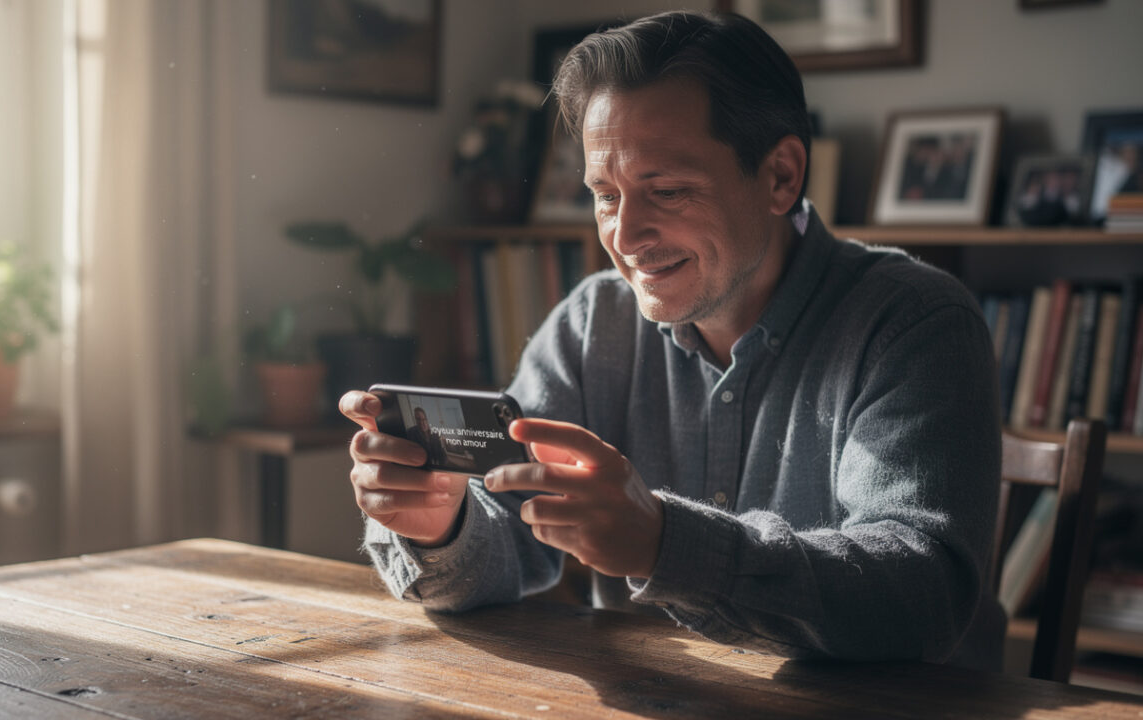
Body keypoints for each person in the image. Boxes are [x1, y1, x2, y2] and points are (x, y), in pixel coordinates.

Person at [342, 10, 1003, 670]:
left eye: (666, 190)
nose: (625, 239)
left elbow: (922, 598)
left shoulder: (914, 321)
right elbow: (504, 534)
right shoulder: (595, 321)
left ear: (781, 176)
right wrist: (442, 524)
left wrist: (666, 544)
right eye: (605, 195)